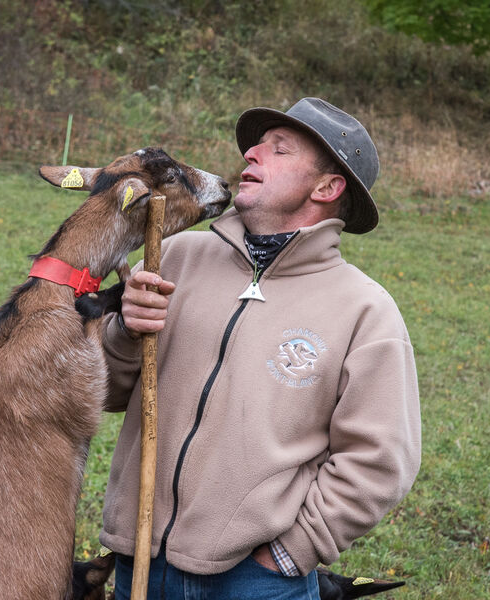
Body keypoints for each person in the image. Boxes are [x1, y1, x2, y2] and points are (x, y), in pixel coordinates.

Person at [99, 97, 421, 600]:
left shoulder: (365, 310)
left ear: (327, 188)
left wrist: (292, 551)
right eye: (256, 145)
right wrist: (124, 330)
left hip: (255, 583)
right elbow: (106, 392)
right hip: (138, 563)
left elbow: (379, 460)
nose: (251, 153)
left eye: (279, 149)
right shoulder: (173, 258)